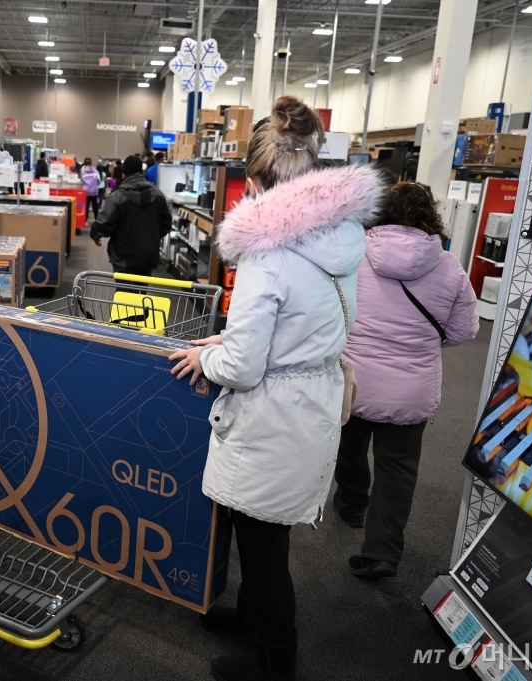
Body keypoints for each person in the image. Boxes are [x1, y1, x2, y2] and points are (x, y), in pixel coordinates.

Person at [168, 96, 383, 681]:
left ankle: (274, 657)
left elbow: (243, 367)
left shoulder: (268, 253)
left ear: (261, 179)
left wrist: (210, 359)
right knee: (258, 529)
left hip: (272, 414)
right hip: (308, 400)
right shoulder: (340, 239)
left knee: (264, 550)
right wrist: (231, 346)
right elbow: (308, 328)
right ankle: (255, 622)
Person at [333, 181, 479, 579]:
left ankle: (350, 506)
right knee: (398, 468)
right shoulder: (450, 267)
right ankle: (382, 552)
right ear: (430, 216)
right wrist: (422, 344)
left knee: (347, 449)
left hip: (354, 382)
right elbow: (466, 330)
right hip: (411, 391)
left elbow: (331, 313)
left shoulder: (353, 255)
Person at [90, 155, 172, 276]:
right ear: (141, 171)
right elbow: (166, 222)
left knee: (123, 293)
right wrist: (158, 235)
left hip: (123, 257)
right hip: (147, 256)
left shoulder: (117, 196)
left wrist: (95, 234)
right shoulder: (158, 194)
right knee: (142, 292)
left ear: (124, 174)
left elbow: (105, 223)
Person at [80, 157, 101, 223]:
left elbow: (82, 180)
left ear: (85, 164)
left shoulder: (83, 172)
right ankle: (96, 220)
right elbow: (99, 181)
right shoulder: (96, 171)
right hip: (94, 191)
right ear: (91, 163)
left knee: (86, 207)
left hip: (86, 192)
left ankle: (85, 221)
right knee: (95, 207)